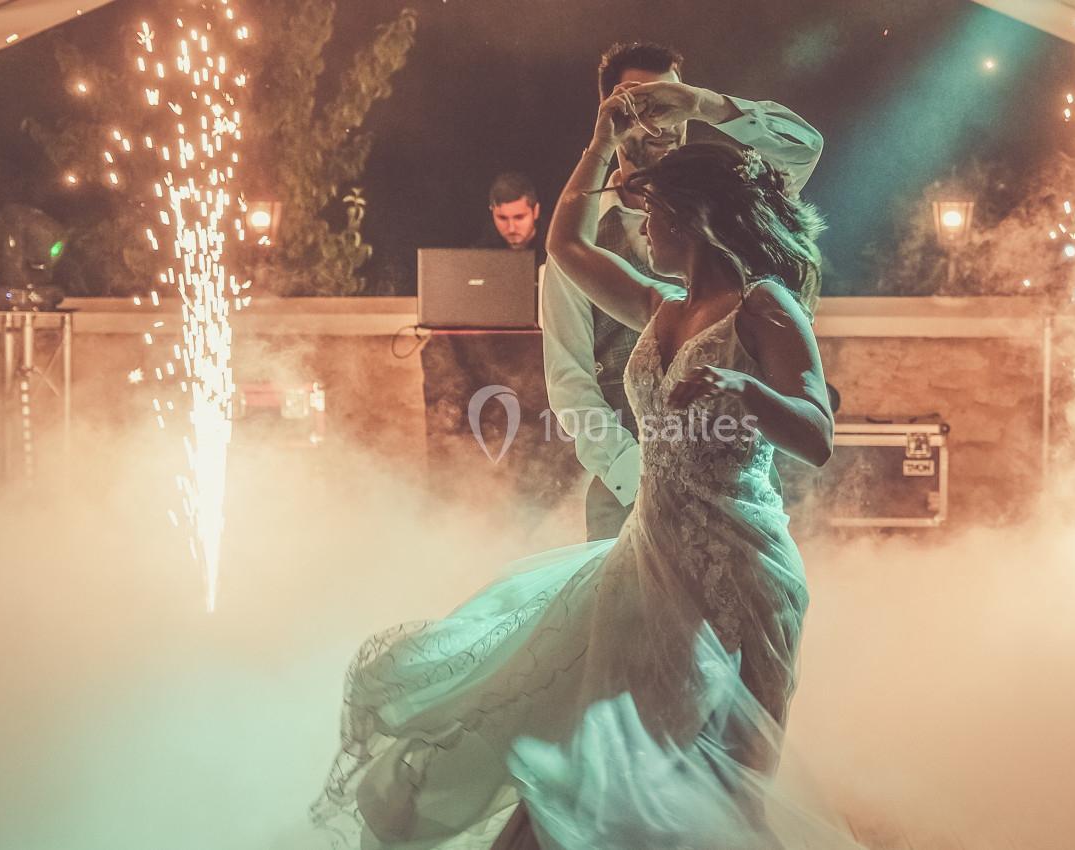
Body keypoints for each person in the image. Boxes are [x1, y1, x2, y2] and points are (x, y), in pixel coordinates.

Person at [309, 78, 860, 850]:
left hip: (736, 574)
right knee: (578, 767)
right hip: (644, 563)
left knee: (722, 788)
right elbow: (566, 247)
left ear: (690, 219)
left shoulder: (766, 305)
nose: (639, 229)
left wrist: (745, 392)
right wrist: (598, 140)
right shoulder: (663, 305)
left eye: (650, 216)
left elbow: (817, 434)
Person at [541, 42, 826, 541]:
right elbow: (571, 381)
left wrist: (702, 103)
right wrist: (641, 480)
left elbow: (803, 147)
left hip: (734, 490)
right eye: (639, 104)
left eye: (665, 102)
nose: (659, 123)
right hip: (625, 486)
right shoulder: (620, 263)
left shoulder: (736, 209)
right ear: (608, 108)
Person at [476, 171, 548, 270]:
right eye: (502, 218)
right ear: (492, 212)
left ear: (536, 211)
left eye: (519, 217)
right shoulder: (482, 250)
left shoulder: (556, 247)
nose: (511, 228)